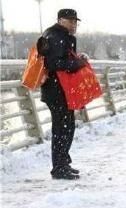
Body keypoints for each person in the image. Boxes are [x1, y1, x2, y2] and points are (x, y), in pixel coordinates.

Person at [37, 9, 87, 180]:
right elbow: (54, 63)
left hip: (62, 90)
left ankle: (63, 163)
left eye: (75, 21)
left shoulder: (60, 35)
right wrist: (77, 63)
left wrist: (76, 59)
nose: (74, 25)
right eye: (70, 21)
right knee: (61, 129)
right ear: (60, 20)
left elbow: (62, 58)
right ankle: (59, 168)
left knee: (67, 127)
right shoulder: (55, 35)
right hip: (56, 90)